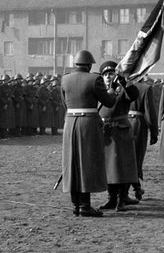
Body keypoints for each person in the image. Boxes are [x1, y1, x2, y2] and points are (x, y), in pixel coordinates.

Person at [61, 50, 116, 217]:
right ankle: (85, 206)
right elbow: (109, 102)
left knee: (71, 164)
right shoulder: (94, 79)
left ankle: (75, 205)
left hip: (70, 123)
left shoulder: (65, 79)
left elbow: (64, 104)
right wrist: (112, 91)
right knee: (86, 163)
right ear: (90, 64)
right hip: (88, 124)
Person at [97, 61, 140, 212]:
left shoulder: (123, 89)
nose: (108, 76)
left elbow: (134, 95)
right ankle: (111, 198)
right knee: (108, 168)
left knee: (122, 168)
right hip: (105, 133)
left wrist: (124, 81)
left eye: (111, 73)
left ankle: (123, 198)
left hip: (121, 132)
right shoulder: (99, 92)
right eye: (105, 74)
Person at [128, 75, 158, 200]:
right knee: (135, 158)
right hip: (137, 126)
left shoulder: (121, 86)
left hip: (121, 123)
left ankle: (134, 188)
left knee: (124, 159)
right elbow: (149, 112)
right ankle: (136, 188)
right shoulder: (145, 88)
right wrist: (154, 131)